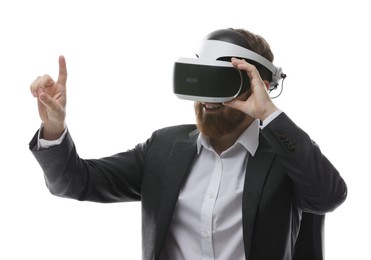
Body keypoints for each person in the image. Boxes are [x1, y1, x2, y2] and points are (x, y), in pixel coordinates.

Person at [29, 28, 347, 260]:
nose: (207, 98)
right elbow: (74, 182)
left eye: (220, 82)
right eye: (201, 78)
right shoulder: (163, 148)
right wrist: (53, 129)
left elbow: (328, 196)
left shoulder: (288, 156)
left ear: (257, 87)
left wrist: (269, 115)